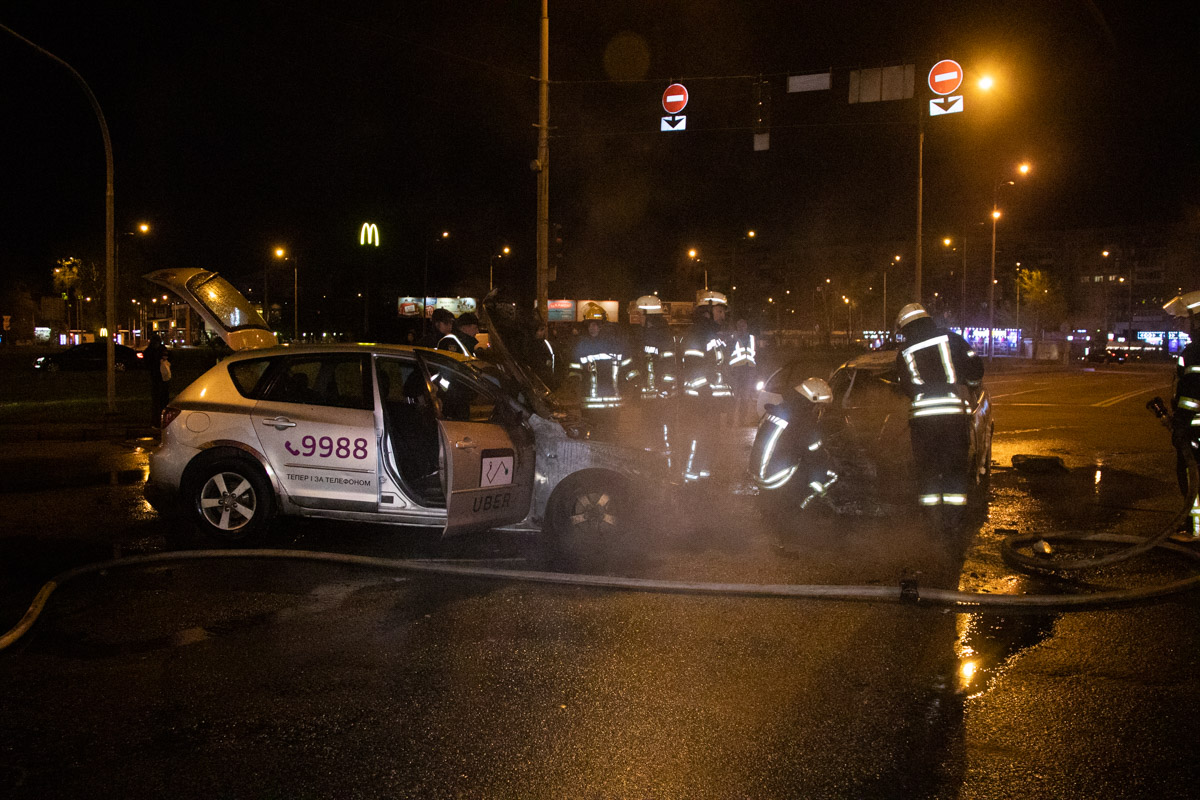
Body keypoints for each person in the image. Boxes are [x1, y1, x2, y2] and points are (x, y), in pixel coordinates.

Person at [894, 302, 984, 515]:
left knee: (927, 471)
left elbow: (904, 387)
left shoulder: (903, 352)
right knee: (955, 469)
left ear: (905, 327)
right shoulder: (951, 338)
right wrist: (969, 385)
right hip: (953, 419)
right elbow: (975, 369)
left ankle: (932, 521)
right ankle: (953, 521)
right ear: (927, 319)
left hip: (922, 422)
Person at [678, 291, 733, 482]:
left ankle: (704, 477)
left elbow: (720, 367)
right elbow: (693, 365)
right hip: (699, 400)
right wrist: (704, 390)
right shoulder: (697, 334)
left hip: (711, 400)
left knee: (711, 439)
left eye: (723, 312)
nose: (723, 316)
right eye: (719, 311)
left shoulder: (714, 335)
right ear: (707, 311)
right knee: (698, 437)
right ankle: (689, 478)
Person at [1164, 290, 1200, 537]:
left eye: (1184, 319)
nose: (1180, 324)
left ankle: (1195, 529)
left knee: (1191, 474)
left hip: (1194, 428)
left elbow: (1193, 392)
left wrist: (1181, 422)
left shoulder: (1195, 352)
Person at [631, 295, 678, 461]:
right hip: (649, 394)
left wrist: (665, 389)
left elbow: (669, 364)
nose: (638, 318)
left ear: (648, 315)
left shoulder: (662, 336)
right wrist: (635, 382)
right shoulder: (644, 335)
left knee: (662, 428)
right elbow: (639, 362)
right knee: (649, 429)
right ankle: (650, 459)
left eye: (640, 315)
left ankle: (664, 461)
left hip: (661, 394)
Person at [568, 304, 632, 413]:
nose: (591, 328)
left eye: (594, 325)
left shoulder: (616, 346)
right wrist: (574, 385)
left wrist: (632, 386)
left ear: (602, 326)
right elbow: (575, 370)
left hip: (612, 404)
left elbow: (628, 368)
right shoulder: (582, 346)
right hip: (590, 404)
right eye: (589, 325)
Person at [728, 316, 758, 426]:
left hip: (748, 369)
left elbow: (756, 354)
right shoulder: (732, 337)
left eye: (743, 326)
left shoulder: (752, 338)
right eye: (740, 326)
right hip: (736, 370)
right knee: (734, 396)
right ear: (737, 327)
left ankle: (742, 421)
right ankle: (730, 420)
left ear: (746, 327)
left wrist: (756, 370)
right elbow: (728, 351)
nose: (742, 328)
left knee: (745, 396)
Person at [145, 332, 172, 427]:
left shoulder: (151, 350)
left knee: (159, 399)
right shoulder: (161, 350)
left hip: (158, 377)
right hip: (160, 377)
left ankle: (158, 419)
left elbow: (147, 362)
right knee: (160, 399)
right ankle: (159, 419)